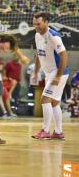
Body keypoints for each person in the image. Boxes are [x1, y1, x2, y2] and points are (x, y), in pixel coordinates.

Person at [31, 12, 69, 140]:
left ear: (47, 22)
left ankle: (45, 130)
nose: (36, 26)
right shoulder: (37, 35)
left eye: (39, 24)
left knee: (45, 99)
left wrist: (58, 76)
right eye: (34, 24)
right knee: (54, 103)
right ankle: (58, 132)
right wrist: (36, 72)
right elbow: (38, 55)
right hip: (49, 73)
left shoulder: (54, 37)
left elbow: (64, 55)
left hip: (58, 72)